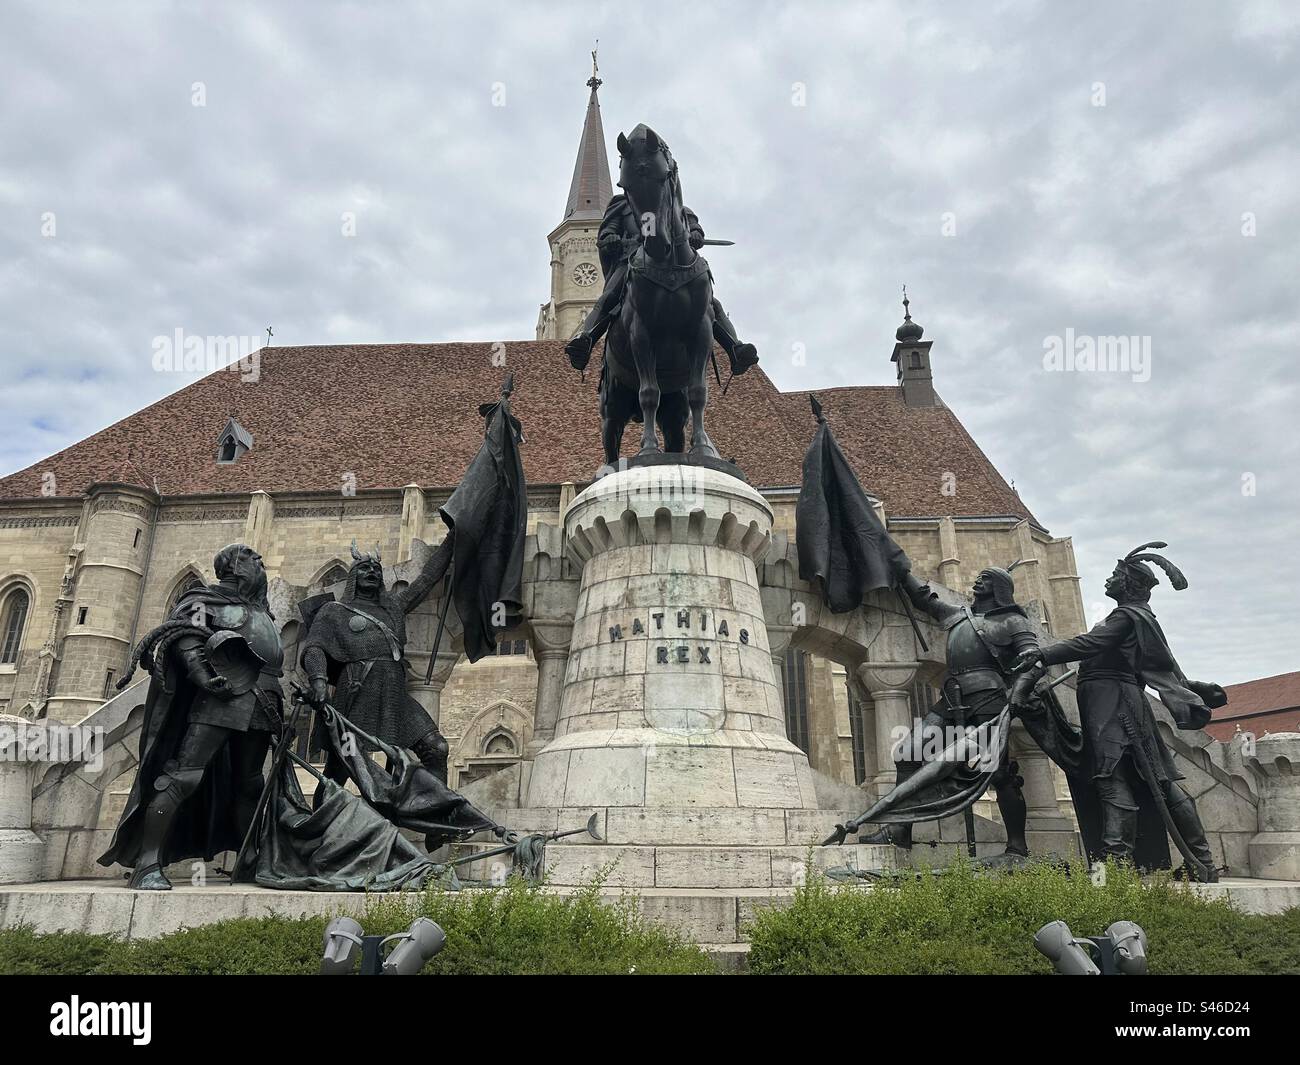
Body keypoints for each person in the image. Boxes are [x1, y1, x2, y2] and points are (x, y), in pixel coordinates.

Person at [1014, 543, 1224, 881]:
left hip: (1113, 704)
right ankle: (1201, 862)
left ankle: (1117, 866)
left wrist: (1044, 655)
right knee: (1156, 781)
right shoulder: (1135, 617)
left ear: (1128, 584)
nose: (1109, 580)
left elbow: (1090, 645)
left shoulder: (1128, 617)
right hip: (1113, 701)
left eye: (1115, 575)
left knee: (1113, 778)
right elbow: (1149, 664)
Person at [99, 544, 284, 890]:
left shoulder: (261, 611)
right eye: (252, 558)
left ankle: (249, 861)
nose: (261, 563)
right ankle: (147, 864)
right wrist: (202, 675)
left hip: (265, 701)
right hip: (223, 696)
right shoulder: (207, 600)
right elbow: (186, 636)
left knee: (250, 783)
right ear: (232, 566)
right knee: (184, 776)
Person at [301, 536, 453, 786]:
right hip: (357, 691)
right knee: (340, 768)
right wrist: (318, 680)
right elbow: (314, 647)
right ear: (353, 576)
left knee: (436, 747)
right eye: (364, 568)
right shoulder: (334, 611)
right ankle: (323, 820)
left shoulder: (393, 607)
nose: (371, 571)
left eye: (376, 569)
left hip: (394, 694)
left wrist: (453, 538)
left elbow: (426, 580)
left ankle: (438, 811)